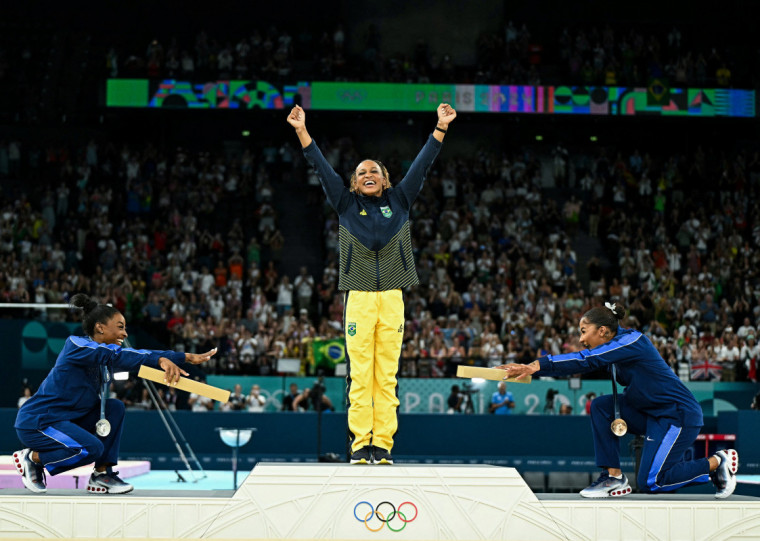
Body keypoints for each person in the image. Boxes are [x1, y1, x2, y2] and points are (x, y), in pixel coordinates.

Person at [287, 102, 456, 465]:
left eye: (374, 171)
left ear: (385, 179)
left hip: (392, 298)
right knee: (360, 375)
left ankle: (383, 445)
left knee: (387, 377)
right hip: (359, 299)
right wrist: (302, 130)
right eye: (361, 171)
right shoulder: (345, 204)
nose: (368, 174)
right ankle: (360, 444)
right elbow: (320, 166)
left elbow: (422, 165)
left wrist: (440, 127)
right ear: (353, 182)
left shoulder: (400, 200)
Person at [499, 301, 739, 499]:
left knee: (651, 481)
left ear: (603, 331)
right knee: (601, 406)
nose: (582, 339)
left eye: (584, 331)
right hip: (650, 414)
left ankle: (718, 463)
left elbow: (586, 359)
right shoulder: (614, 349)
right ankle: (613, 477)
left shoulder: (632, 341)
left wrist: (536, 365)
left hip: (677, 415)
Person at [13, 293, 216, 494]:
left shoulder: (104, 361)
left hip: (69, 421)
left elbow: (129, 359)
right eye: (120, 327)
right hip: (38, 422)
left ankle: (101, 474)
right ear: (100, 327)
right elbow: (119, 356)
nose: (125, 333)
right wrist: (167, 358)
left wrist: (181, 358)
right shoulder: (75, 345)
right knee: (91, 448)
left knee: (115, 407)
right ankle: (33, 459)